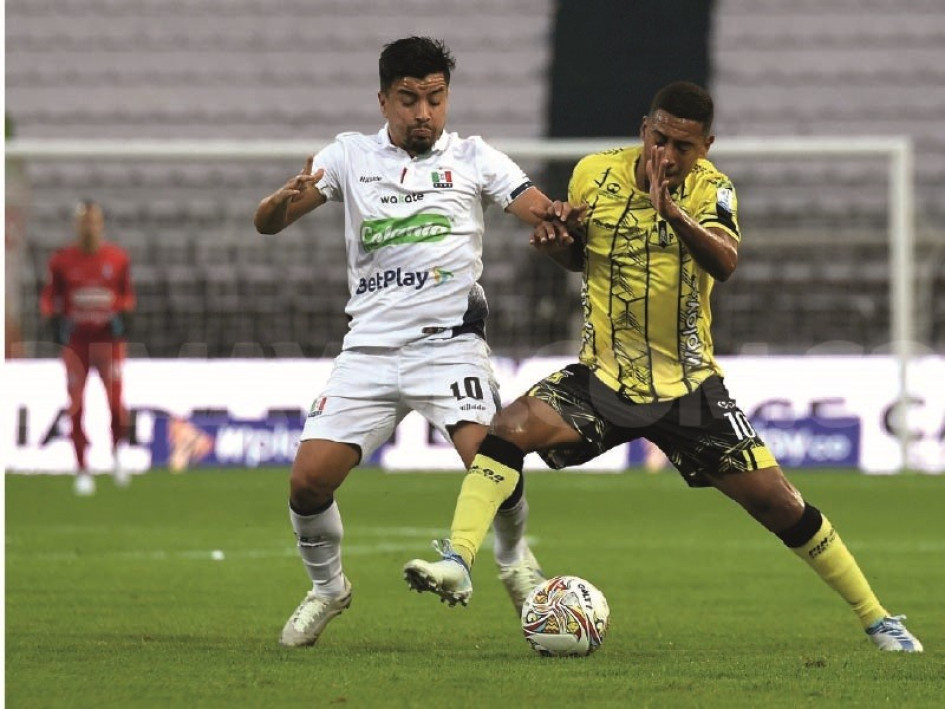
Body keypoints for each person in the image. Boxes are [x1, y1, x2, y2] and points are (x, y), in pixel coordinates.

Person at [404, 82, 923, 653]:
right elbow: (579, 257)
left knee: (780, 504)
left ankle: (877, 617)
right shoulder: (592, 174)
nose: (669, 156)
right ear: (643, 128)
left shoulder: (712, 190)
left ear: (707, 146)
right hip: (603, 377)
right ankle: (458, 559)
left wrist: (671, 212)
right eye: (661, 140)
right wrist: (556, 243)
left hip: (688, 388)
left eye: (685, 146)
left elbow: (724, 262)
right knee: (508, 428)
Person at [253, 36, 563, 648]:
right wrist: (277, 205)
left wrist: (555, 214)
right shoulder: (347, 156)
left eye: (435, 98)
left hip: (449, 347)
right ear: (383, 101)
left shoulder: (475, 157)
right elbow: (270, 222)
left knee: (492, 457)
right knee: (307, 482)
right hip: (368, 349)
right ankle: (328, 589)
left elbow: (531, 203)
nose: (424, 112)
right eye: (409, 99)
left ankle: (513, 560)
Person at [40, 200, 136, 496]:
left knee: (116, 405)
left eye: (93, 221)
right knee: (76, 406)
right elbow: (49, 298)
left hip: (109, 344)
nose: (88, 227)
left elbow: (127, 296)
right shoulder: (62, 261)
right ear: (77, 225)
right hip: (77, 344)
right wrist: (54, 320)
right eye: (84, 222)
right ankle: (82, 468)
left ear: (101, 224)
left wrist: (124, 316)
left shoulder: (117, 259)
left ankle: (118, 454)